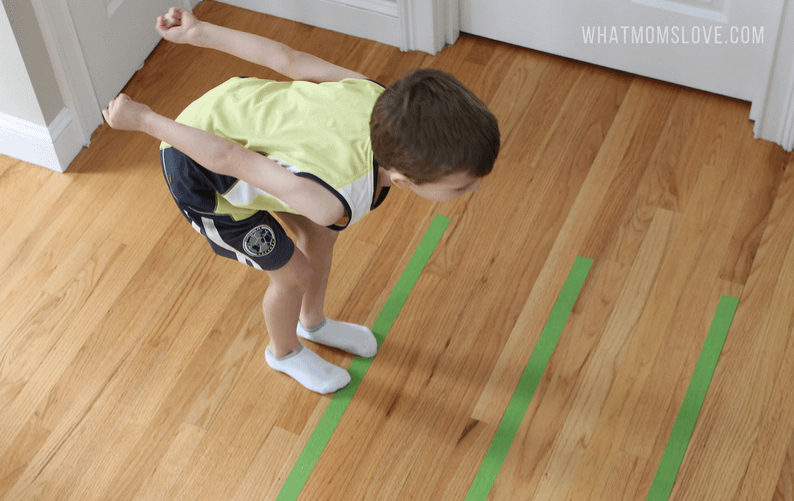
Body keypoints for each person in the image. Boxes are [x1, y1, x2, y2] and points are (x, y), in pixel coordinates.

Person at [102, 7, 500, 394]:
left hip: (239, 113)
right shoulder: (329, 198)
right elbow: (231, 158)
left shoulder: (376, 97)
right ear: (402, 179)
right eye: (461, 187)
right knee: (294, 275)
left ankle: (312, 323)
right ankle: (285, 351)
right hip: (201, 170)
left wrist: (199, 32)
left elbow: (289, 59)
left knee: (322, 238)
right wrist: (145, 120)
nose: (474, 190)